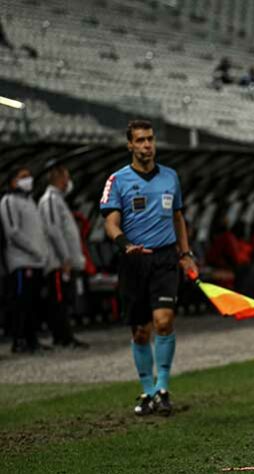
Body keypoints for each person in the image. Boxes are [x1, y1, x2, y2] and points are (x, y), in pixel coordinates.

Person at [100, 120, 198, 416]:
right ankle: (148, 390)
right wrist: (124, 243)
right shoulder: (117, 180)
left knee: (164, 321)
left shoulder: (170, 177)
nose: (146, 145)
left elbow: (178, 218)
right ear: (130, 144)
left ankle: (163, 387)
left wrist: (186, 253)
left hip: (166, 258)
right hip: (134, 260)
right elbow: (110, 222)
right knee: (140, 332)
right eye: (140, 140)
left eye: (150, 139)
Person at [38, 162, 89, 348]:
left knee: (65, 299)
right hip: (58, 261)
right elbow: (53, 230)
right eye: (66, 177)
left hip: (64, 261)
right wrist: (65, 258)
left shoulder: (58, 200)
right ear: (58, 178)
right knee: (58, 300)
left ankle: (65, 335)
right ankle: (62, 337)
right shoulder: (50, 199)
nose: (69, 181)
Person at [1, 167, 51, 353]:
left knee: (33, 302)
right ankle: (19, 339)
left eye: (29, 176)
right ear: (13, 181)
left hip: (36, 260)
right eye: (23, 177)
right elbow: (12, 231)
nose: (28, 179)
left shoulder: (30, 201)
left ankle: (32, 339)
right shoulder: (8, 201)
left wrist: (42, 253)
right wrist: (34, 249)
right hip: (21, 261)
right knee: (21, 302)